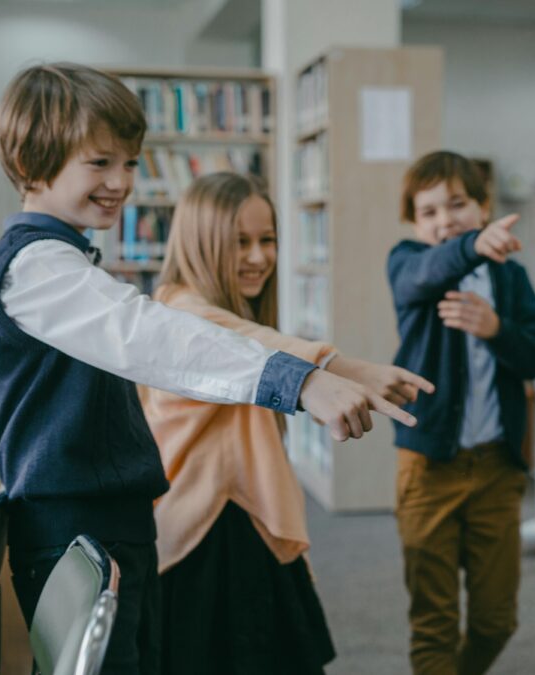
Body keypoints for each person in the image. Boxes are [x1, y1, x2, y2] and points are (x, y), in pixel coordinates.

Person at [0, 62, 413, 674]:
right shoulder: (37, 266)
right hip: (78, 528)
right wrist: (303, 380)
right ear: (30, 162)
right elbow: (153, 336)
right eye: (99, 163)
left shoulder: (65, 259)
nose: (121, 182)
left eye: (129, 163)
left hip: (108, 521)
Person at [139, 172, 433, 674]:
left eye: (267, 240)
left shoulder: (208, 307)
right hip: (210, 531)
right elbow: (251, 346)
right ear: (200, 242)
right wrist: (347, 369)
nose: (258, 257)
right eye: (239, 243)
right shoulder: (181, 311)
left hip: (239, 516)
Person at [387, 151, 535, 674]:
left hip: (496, 471)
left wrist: (495, 329)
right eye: (429, 211)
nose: (445, 219)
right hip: (428, 468)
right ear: (414, 222)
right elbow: (422, 273)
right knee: (433, 622)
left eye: (457, 205)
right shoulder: (410, 262)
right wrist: (470, 247)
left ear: (483, 207)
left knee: (495, 621)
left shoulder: (511, 278)